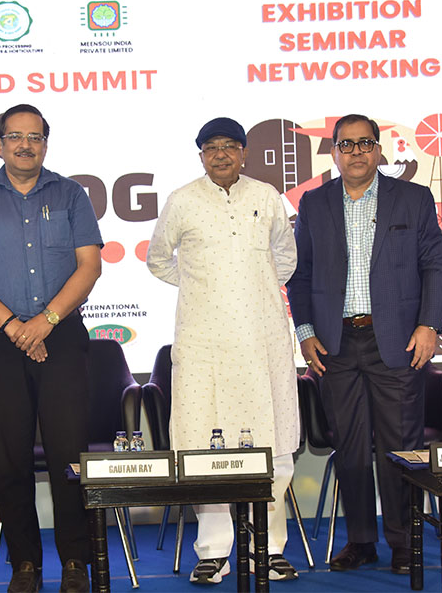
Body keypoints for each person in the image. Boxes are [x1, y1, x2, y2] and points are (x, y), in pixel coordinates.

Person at [286, 113, 442, 576]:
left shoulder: (414, 198)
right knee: (351, 446)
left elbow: (434, 266)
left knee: (400, 446)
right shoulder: (314, 203)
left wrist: (429, 324)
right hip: (336, 344)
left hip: (396, 341)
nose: (356, 152)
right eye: (346, 144)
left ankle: (402, 541)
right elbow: (302, 276)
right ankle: (360, 538)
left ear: (379, 150)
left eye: (365, 143)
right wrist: (306, 331)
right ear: (334, 152)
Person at [0, 104, 102, 593]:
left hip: (62, 335)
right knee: (11, 457)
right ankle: (25, 565)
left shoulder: (71, 193)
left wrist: (45, 322)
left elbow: (89, 266)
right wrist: (16, 327)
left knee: (68, 457)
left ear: (45, 144)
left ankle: (75, 562)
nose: (24, 145)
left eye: (34, 137)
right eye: (15, 136)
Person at [146, 117, 302, 585]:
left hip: (263, 341)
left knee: (273, 444)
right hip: (203, 343)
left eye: (230, 146)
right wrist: (205, 288)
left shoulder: (266, 197)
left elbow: (286, 259)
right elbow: (159, 261)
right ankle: (213, 550)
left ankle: (268, 547)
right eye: (210, 147)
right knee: (203, 445)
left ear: (244, 153)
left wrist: (247, 291)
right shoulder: (182, 200)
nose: (220, 155)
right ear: (200, 155)